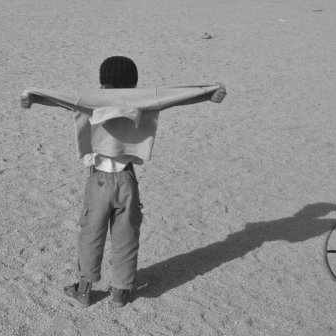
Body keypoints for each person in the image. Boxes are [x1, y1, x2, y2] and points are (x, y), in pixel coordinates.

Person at [20, 56, 227, 309]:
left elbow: (58, 99)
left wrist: (32, 96)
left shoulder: (90, 99)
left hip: (98, 182)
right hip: (127, 181)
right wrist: (208, 93)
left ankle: (84, 290)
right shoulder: (143, 100)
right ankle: (120, 291)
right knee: (126, 235)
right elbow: (176, 97)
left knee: (91, 235)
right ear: (134, 83)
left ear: (102, 83)